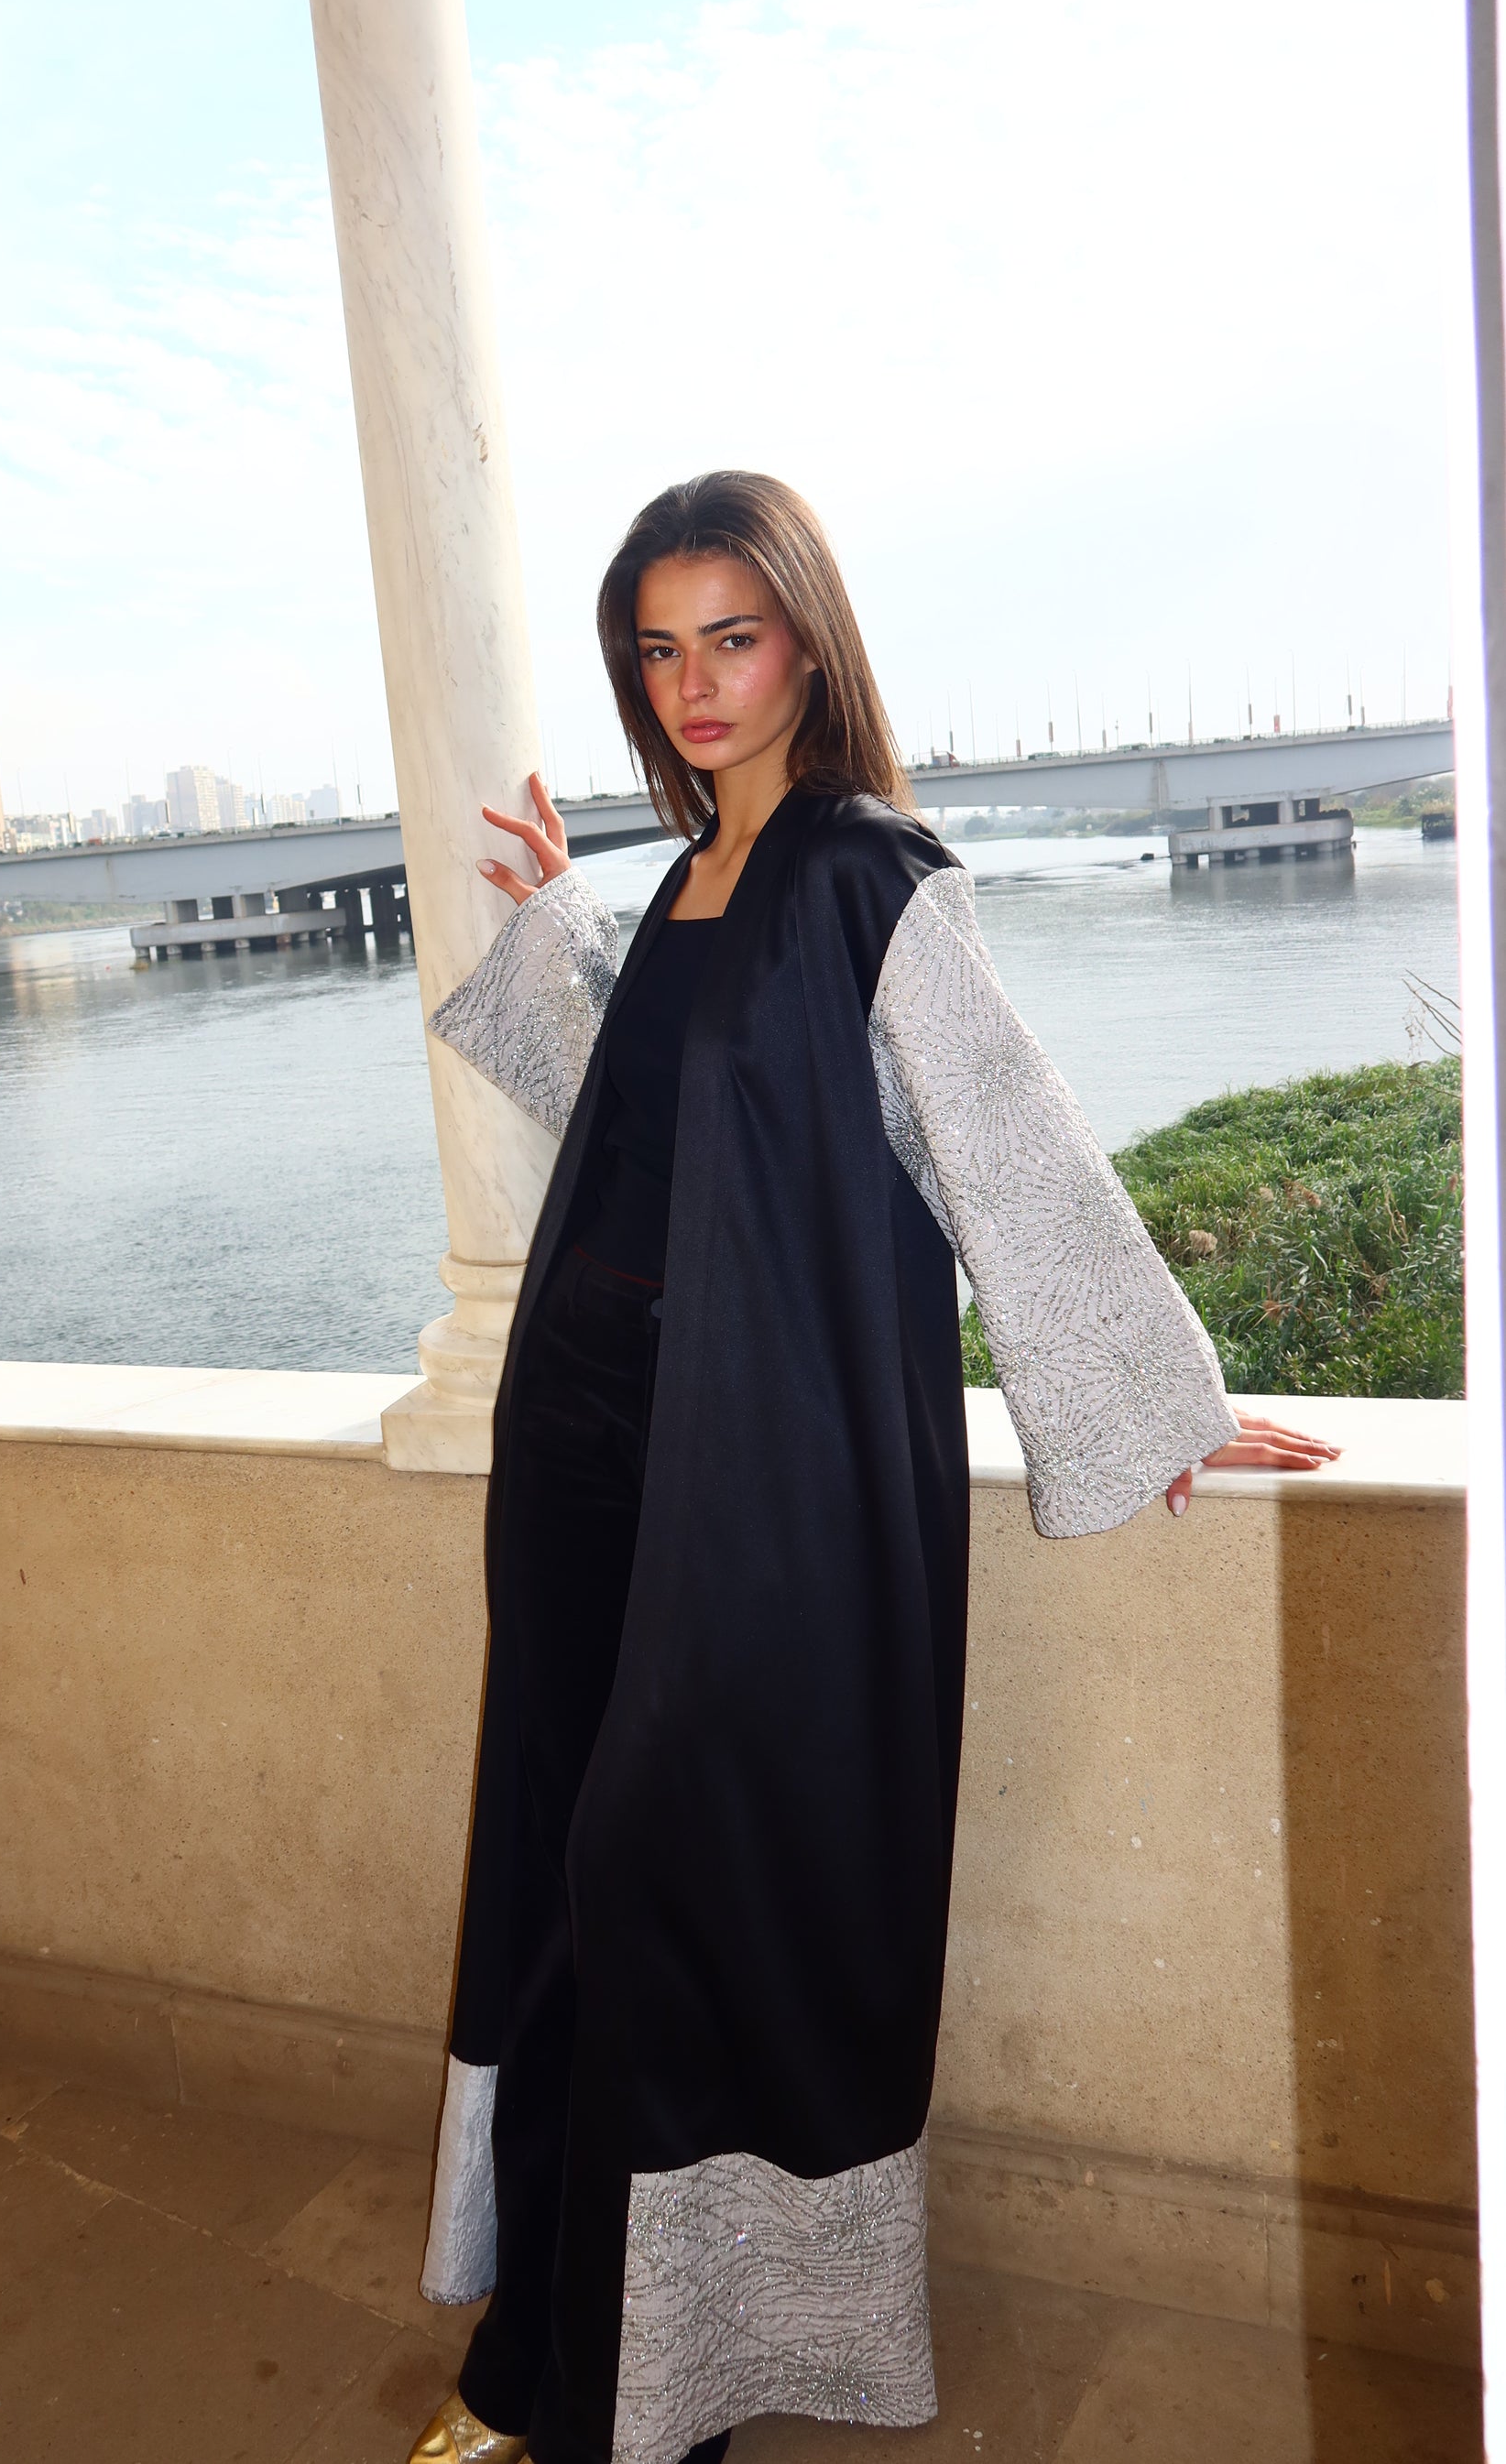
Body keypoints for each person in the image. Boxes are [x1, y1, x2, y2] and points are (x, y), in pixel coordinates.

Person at [405, 474, 1336, 2464]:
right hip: (579, 1453)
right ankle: (538, 2356)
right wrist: (567, 925)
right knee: (562, 1874)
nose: (694, 683)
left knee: (666, 1890)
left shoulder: (864, 876)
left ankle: (641, 2398)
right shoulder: (685, 877)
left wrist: (1153, 1391)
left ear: (807, 646)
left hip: (748, 1485)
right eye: (659, 649)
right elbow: (663, 1134)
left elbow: (994, 1136)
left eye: (730, 638)